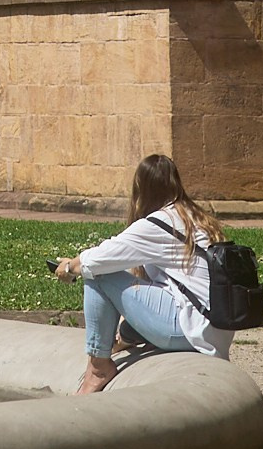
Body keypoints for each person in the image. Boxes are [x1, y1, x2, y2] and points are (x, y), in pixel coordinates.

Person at [53, 153, 228, 393]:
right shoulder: (195, 217)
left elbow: (97, 260)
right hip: (212, 330)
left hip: (188, 329)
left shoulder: (159, 223)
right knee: (106, 271)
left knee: (96, 273)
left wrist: (68, 268)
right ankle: (124, 338)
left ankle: (98, 366)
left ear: (141, 189)